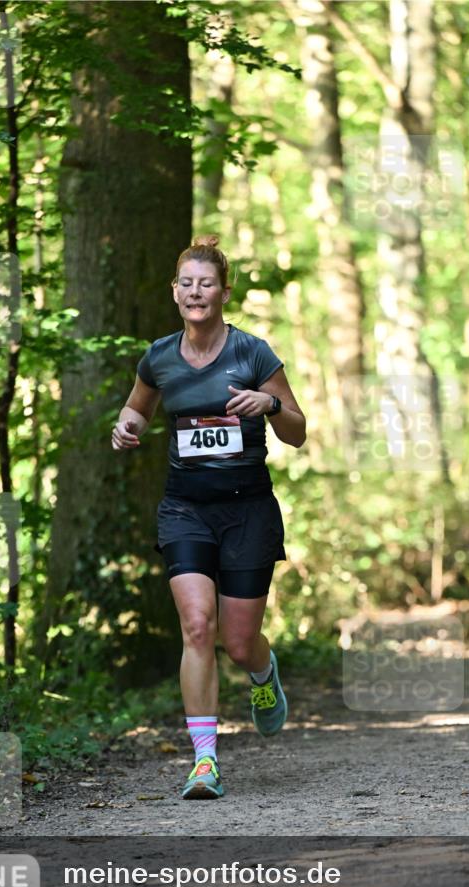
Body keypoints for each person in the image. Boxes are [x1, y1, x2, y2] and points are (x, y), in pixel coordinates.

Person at [111, 235, 306, 800]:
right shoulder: (160, 357)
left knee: (238, 643)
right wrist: (127, 426)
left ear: (224, 292)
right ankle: (204, 762)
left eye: (207, 284)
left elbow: (297, 431)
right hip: (185, 509)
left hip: (247, 511)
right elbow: (137, 409)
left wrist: (270, 405)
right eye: (187, 284)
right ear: (175, 292)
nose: (196, 292)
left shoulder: (253, 354)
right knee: (198, 625)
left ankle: (262, 674)